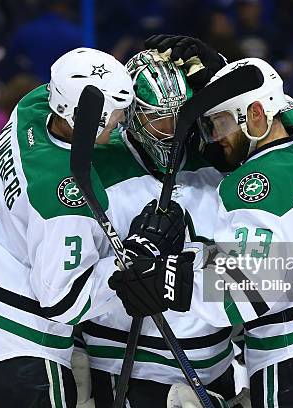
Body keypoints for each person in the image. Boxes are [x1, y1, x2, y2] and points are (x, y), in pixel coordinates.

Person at [109, 36, 293, 407]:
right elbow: (291, 109)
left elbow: (246, 288)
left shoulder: (255, 186)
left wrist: (164, 278)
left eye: (220, 124)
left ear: (254, 115)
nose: (213, 139)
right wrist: (220, 69)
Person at [0, 47, 135, 407]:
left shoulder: (29, 110)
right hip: (20, 355)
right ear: (87, 117)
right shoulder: (64, 194)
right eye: (115, 113)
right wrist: (130, 268)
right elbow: (62, 300)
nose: (122, 120)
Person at [83, 50, 236, 407]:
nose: (171, 130)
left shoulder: (216, 167)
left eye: (178, 116)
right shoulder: (99, 169)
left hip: (215, 368)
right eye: (158, 119)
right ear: (131, 115)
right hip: (126, 369)